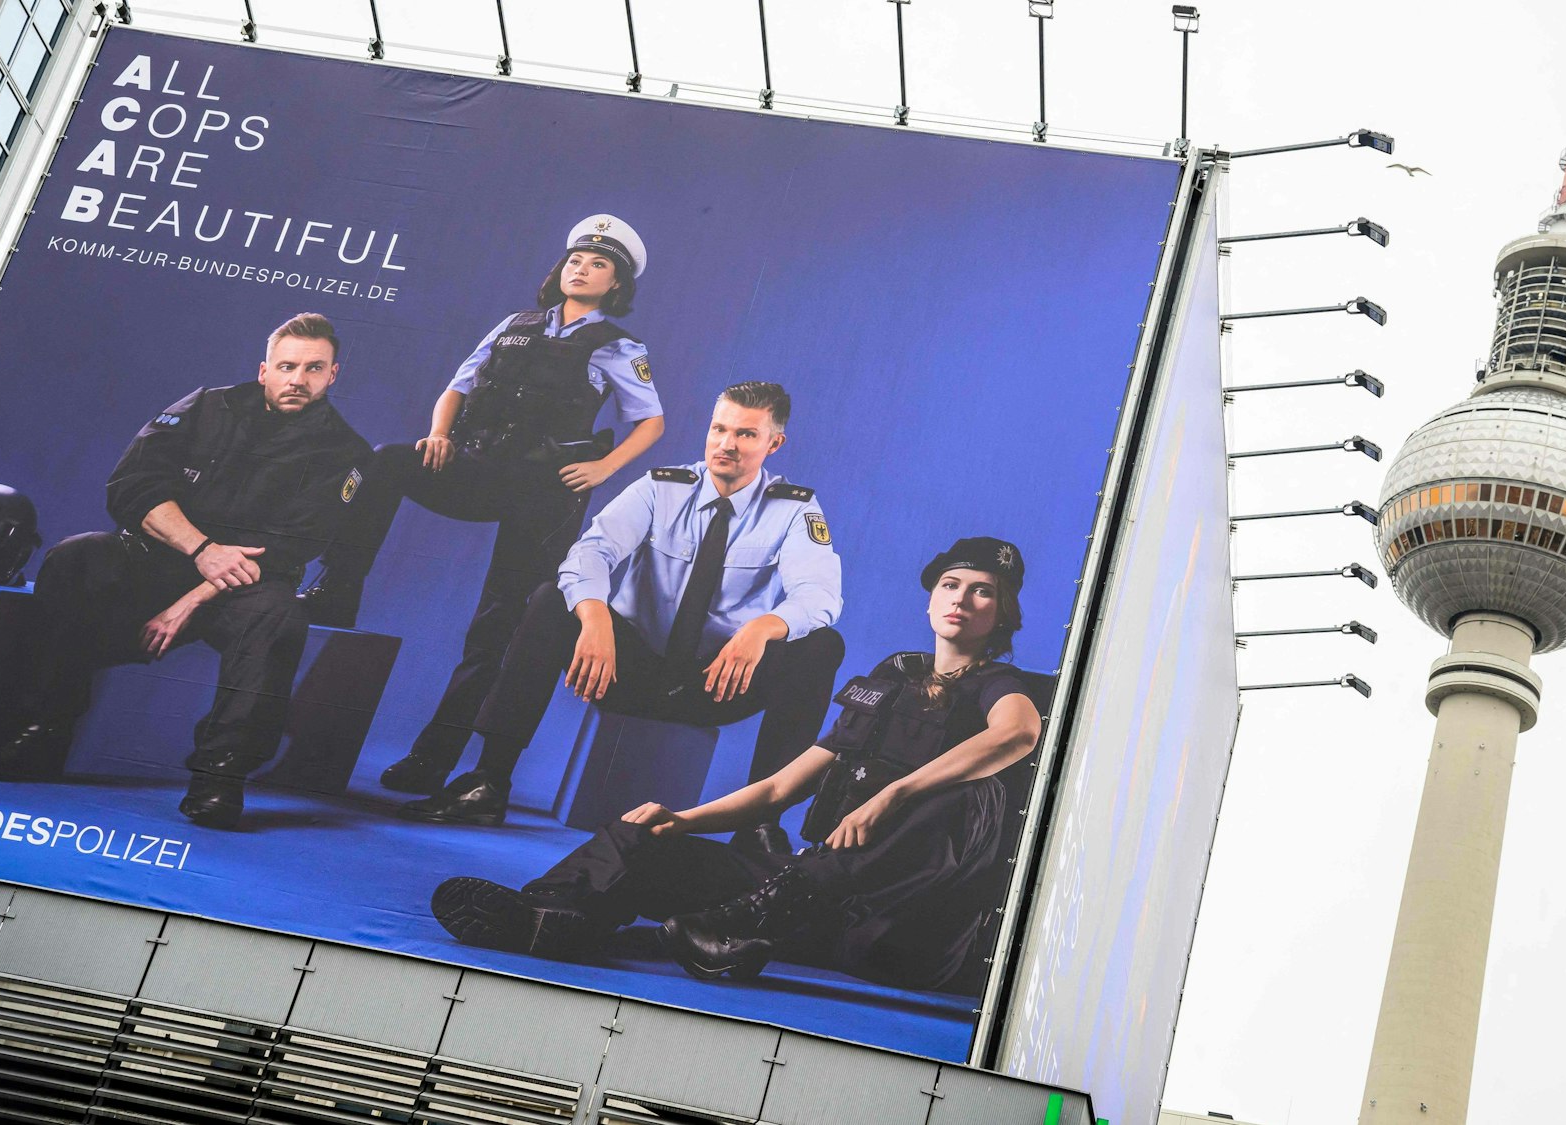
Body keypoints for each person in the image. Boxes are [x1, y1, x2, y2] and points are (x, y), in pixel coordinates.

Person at [429, 536, 1044, 992]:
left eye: (982, 590)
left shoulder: (1002, 685)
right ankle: (540, 915)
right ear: (932, 597)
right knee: (648, 831)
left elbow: (1019, 732)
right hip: (789, 889)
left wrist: (896, 793)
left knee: (960, 794)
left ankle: (724, 927)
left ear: (1004, 612)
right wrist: (687, 819)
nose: (961, 599)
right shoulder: (892, 678)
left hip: (879, 917)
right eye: (951, 585)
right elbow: (780, 788)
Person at [0, 313, 373, 830]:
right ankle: (43, 732)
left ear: (333, 375)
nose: (298, 379)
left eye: (314, 368)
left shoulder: (347, 453)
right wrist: (200, 548)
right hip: (157, 560)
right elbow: (132, 486)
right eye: (287, 366)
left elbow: (290, 547)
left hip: (246, 586)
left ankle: (220, 776)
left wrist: (189, 600)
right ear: (264, 369)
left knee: (278, 618)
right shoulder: (205, 407)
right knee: (76, 556)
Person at [300, 216, 667, 797]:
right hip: (481, 468)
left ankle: (433, 759)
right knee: (389, 461)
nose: (583, 268)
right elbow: (458, 387)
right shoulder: (514, 325)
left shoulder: (618, 346)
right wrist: (440, 434)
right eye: (576, 259)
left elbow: (652, 421)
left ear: (616, 286)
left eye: (600, 265)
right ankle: (339, 584)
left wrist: (602, 468)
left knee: (495, 624)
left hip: (544, 491)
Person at [402, 381, 844, 840]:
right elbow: (590, 554)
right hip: (623, 669)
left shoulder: (794, 509)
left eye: (746, 434)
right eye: (718, 429)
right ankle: (488, 782)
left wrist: (762, 628)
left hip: (716, 681)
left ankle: (760, 822)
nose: (726, 445)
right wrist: (595, 617)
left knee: (820, 645)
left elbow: (819, 596)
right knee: (552, 601)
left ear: (775, 443)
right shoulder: (661, 487)